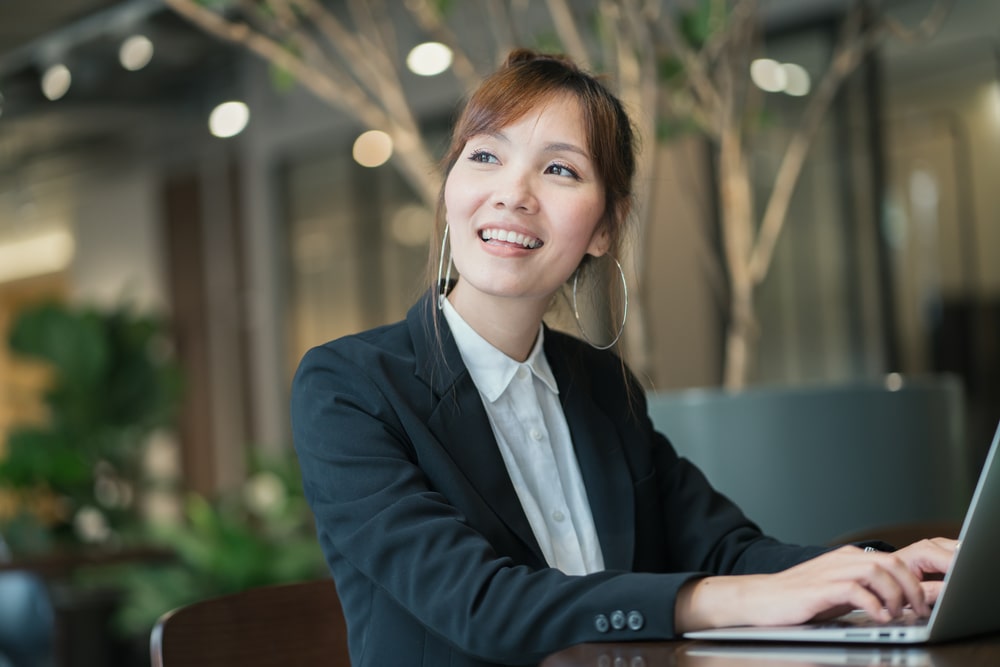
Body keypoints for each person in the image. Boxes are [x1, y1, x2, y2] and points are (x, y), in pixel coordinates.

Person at [290, 49, 957, 667]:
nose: (514, 193)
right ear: (451, 186)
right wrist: (718, 600)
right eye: (486, 156)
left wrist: (887, 568)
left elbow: (726, 550)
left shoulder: (600, 385)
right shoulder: (348, 388)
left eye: (559, 169)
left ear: (606, 226)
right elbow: (482, 605)